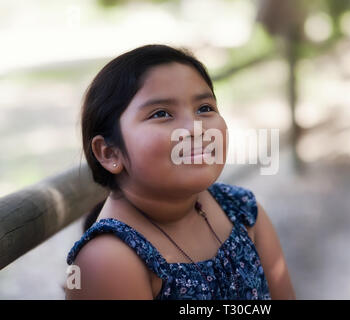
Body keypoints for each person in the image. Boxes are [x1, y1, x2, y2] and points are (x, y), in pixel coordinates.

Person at [65, 44, 295, 300]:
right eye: (161, 113)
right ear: (110, 153)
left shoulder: (241, 210)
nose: (195, 128)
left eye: (205, 108)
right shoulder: (107, 260)